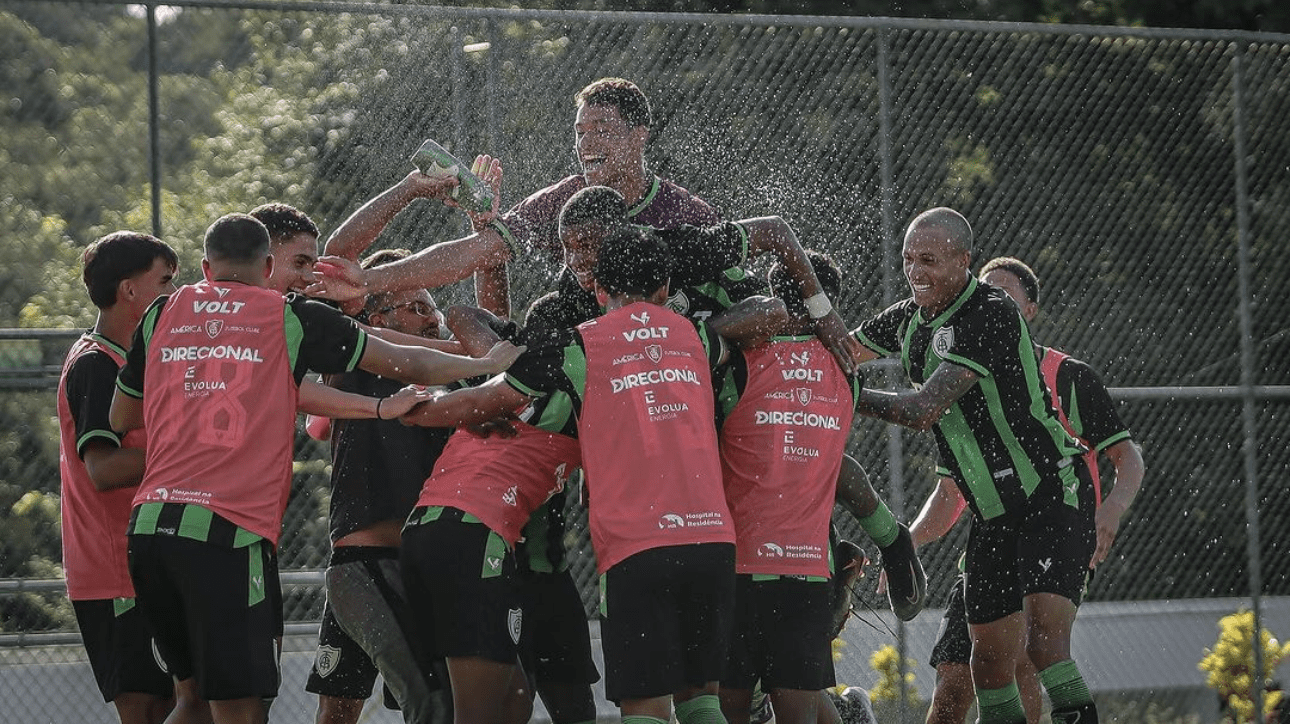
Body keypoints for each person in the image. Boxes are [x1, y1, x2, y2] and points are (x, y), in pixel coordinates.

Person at [109, 213, 523, 724]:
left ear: (204, 267)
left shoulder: (162, 313)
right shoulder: (288, 316)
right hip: (228, 535)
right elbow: (409, 363)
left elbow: (120, 416)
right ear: (266, 265)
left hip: (149, 528)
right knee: (243, 709)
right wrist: (488, 364)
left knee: (191, 702)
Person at [398, 226, 788, 724]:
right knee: (702, 702)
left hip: (637, 546)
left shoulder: (578, 347)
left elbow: (480, 400)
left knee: (646, 706)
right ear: (666, 289)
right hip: (711, 541)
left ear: (600, 290)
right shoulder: (694, 337)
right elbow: (768, 314)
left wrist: (405, 409)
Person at [848, 208, 1099, 724]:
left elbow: (923, 409)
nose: (916, 271)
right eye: (909, 259)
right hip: (994, 516)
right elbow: (842, 350)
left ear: (964, 261)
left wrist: (850, 395)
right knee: (985, 667)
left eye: (930, 260)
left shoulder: (990, 310)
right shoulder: (906, 318)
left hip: (1051, 495)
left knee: (1045, 646)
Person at [913, 256, 1145, 724]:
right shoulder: (962, 378)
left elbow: (1127, 456)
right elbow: (949, 491)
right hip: (994, 536)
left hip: (1054, 527)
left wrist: (1111, 509)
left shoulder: (1068, 375)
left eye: (1005, 297)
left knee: (1026, 660)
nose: (991, 305)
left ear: (1031, 311)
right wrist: (905, 543)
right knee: (956, 679)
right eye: (983, 295)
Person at [307, 77, 719, 317]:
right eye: (579, 132)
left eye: (602, 129)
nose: (586, 142)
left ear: (639, 135)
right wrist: (368, 281)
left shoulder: (687, 213)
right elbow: (475, 253)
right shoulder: (562, 199)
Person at [716, 250, 925, 724]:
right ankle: (844, 711)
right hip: (806, 571)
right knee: (799, 707)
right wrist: (888, 535)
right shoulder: (845, 371)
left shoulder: (738, 360)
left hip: (738, 565)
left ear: (767, 298)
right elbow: (834, 465)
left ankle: (833, 709)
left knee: (723, 710)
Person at [303, 249, 455, 724]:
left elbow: (491, 330)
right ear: (372, 313)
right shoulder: (354, 352)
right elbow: (336, 256)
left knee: (342, 709)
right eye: (419, 308)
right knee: (429, 704)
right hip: (370, 568)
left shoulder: (435, 375)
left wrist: (488, 239)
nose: (434, 319)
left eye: (435, 307)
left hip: (400, 567)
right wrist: (411, 188)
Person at [58, 231, 180, 724]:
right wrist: (186, 451)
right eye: (165, 281)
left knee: (180, 701)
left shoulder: (131, 358)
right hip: (114, 571)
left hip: (145, 563)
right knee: (147, 708)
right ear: (130, 291)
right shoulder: (96, 364)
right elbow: (103, 469)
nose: (175, 292)